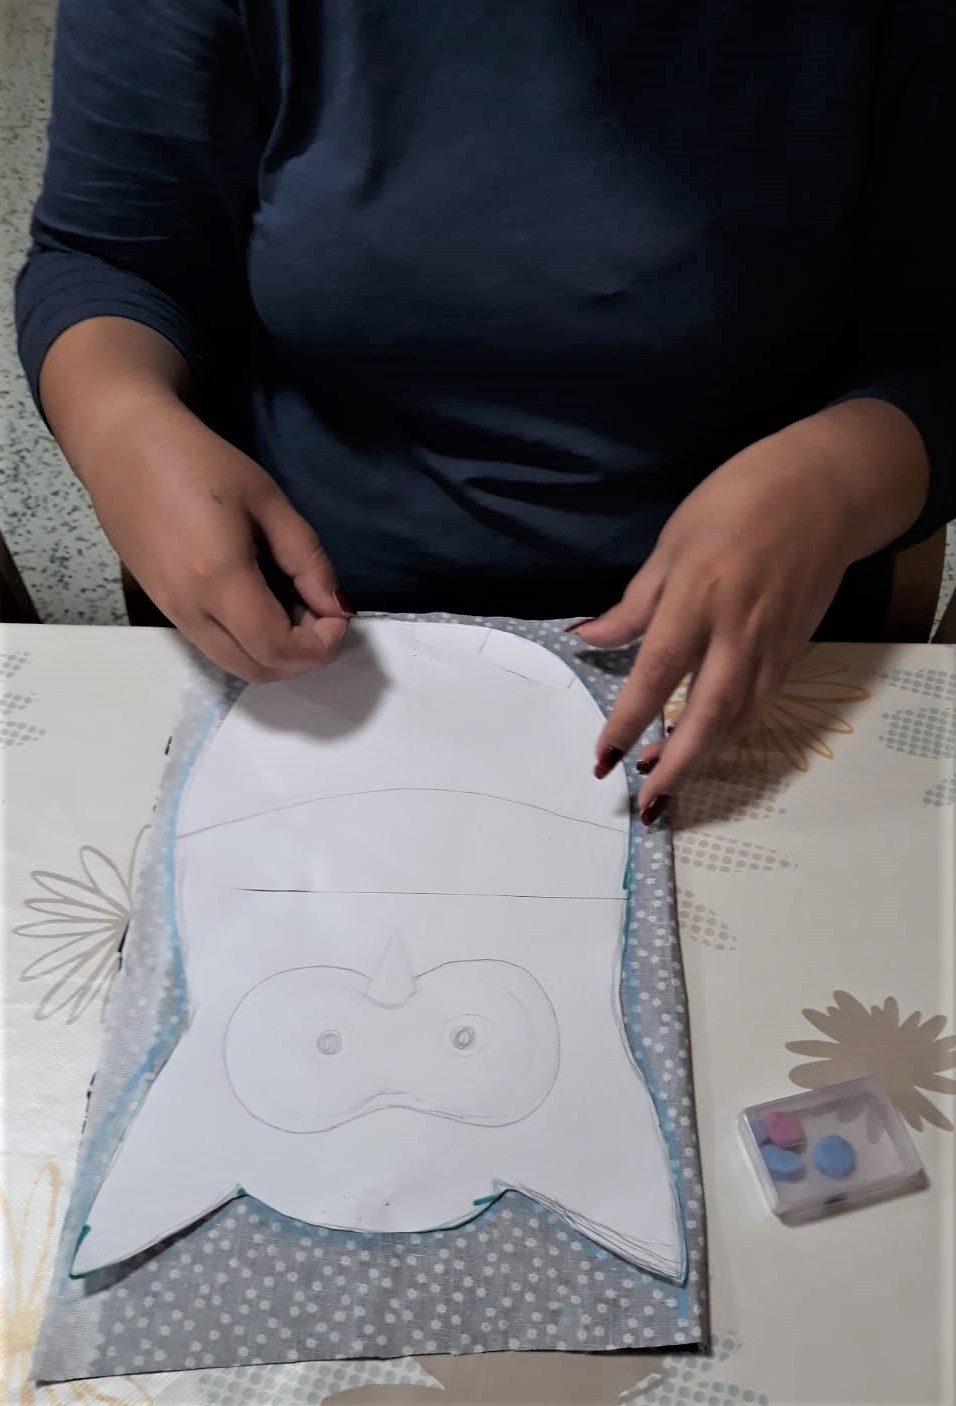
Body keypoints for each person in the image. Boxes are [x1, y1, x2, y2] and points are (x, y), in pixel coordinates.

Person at [15, 1, 955, 821]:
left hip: (747, 647)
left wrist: (840, 478)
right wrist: (122, 425)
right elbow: (113, 257)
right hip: (319, 634)